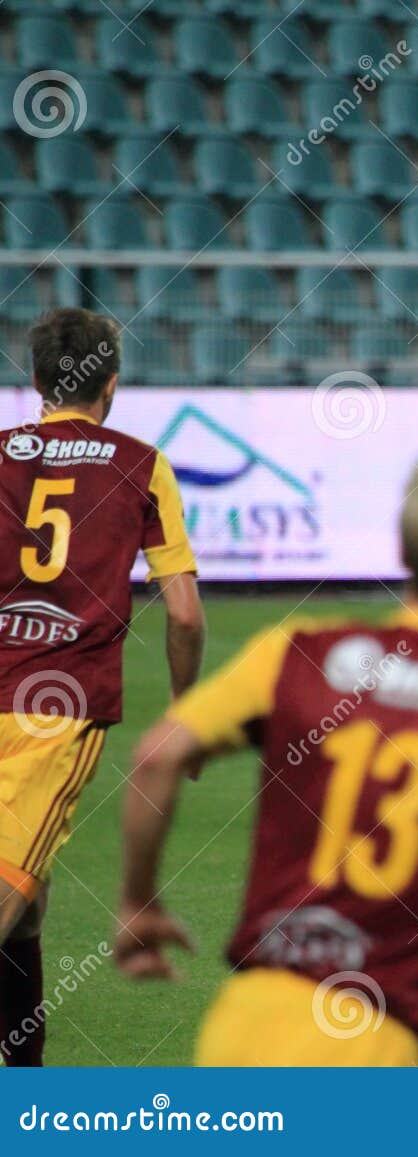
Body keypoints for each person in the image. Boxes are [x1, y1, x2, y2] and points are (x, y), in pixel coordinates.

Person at [116, 444, 418, 1065]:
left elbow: (156, 757)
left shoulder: (299, 651)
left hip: (244, 1025)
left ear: (403, 547)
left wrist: (137, 903)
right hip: (373, 1040)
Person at [0, 307, 204, 1065]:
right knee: (9, 891)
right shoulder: (140, 463)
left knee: (28, 907)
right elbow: (181, 613)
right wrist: (186, 710)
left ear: (36, 383)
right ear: (111, 384)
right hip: (54, 710)